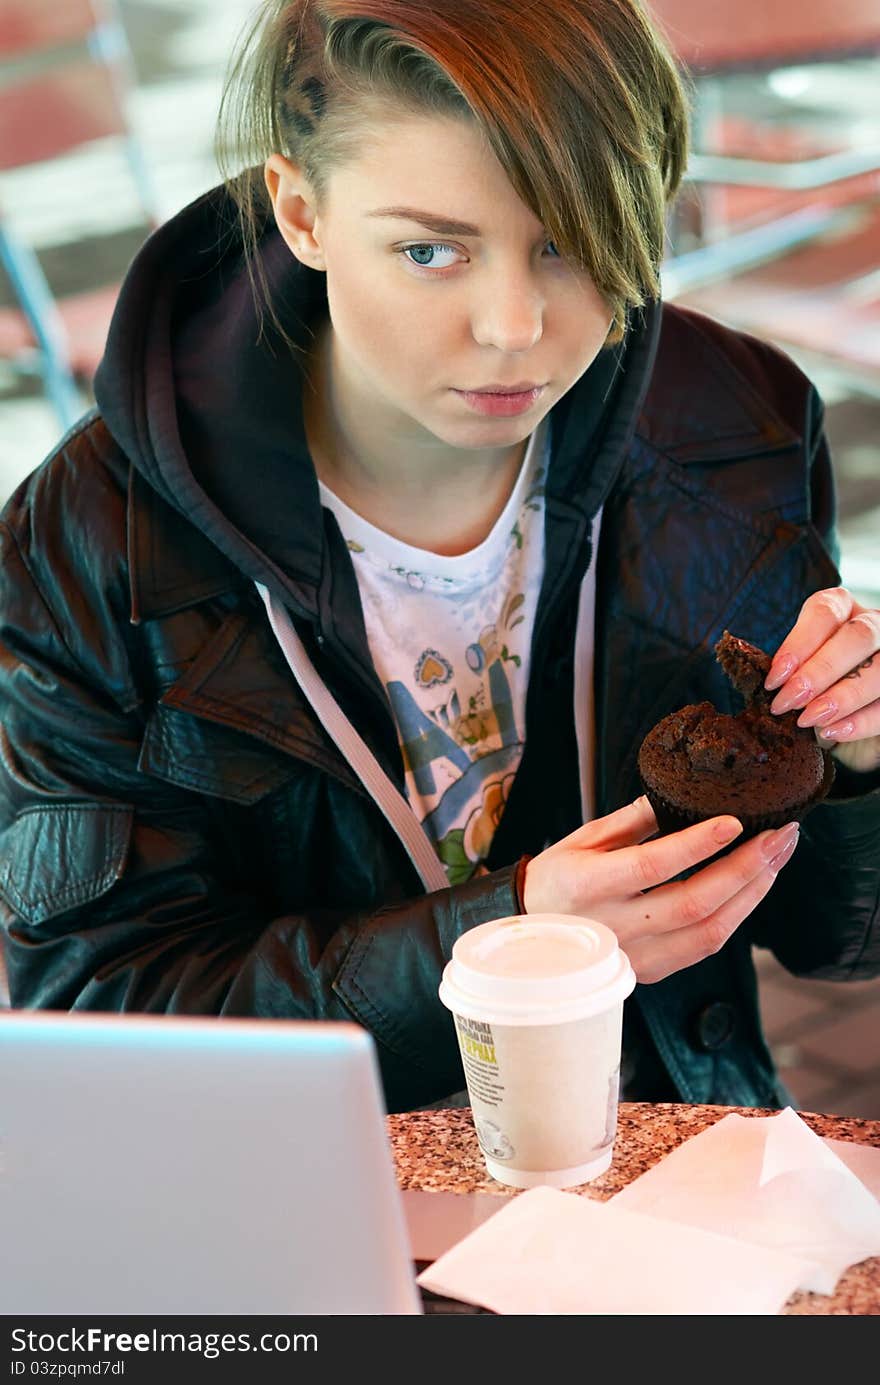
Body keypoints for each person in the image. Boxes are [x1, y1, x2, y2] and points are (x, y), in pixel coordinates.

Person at [0, 0, 878, 1114]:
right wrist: (501, 946)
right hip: (314, 1205)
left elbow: (836, 941)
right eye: (429, 250)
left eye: (567, 242)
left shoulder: (731, 422)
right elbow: (101, 1023)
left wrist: (858, 762)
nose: (513, 325)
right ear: (302, 211)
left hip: (672, 1172)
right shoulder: (90, 542)